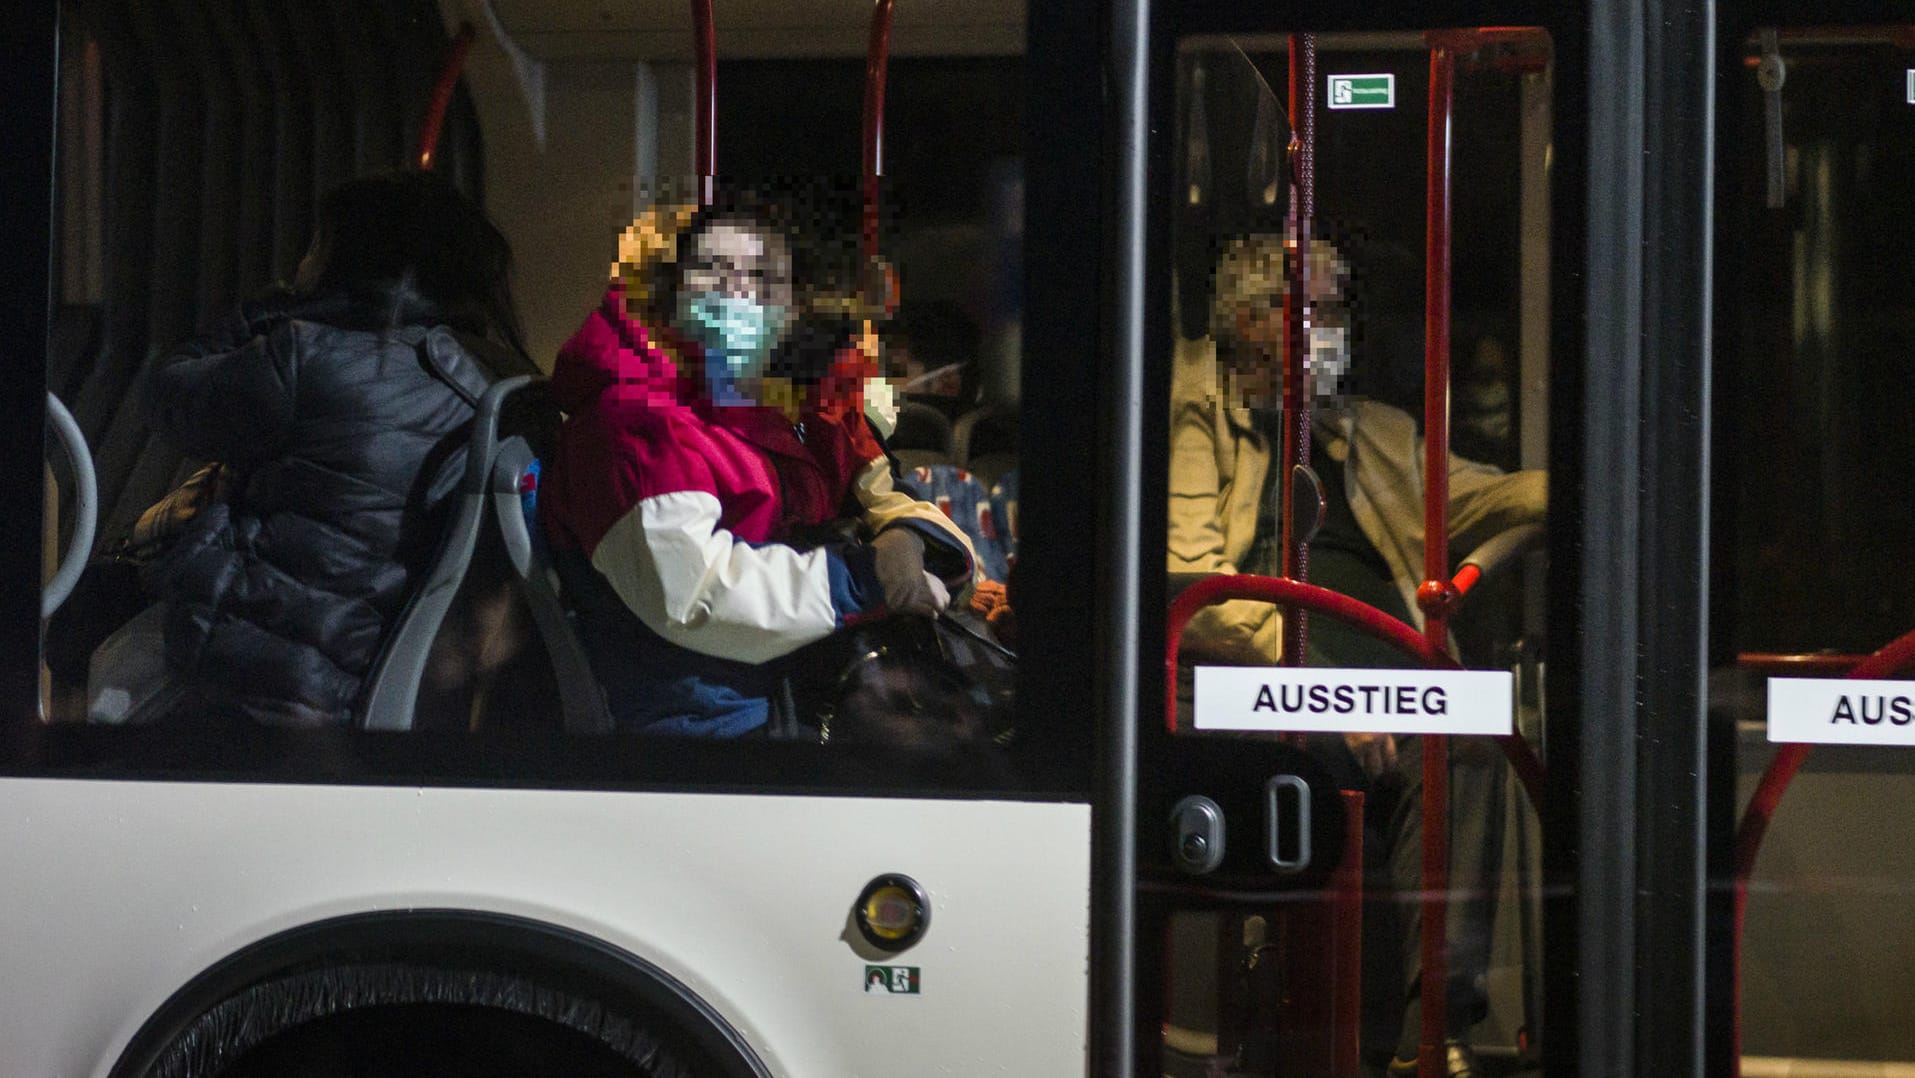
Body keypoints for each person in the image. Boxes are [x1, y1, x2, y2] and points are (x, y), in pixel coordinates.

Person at [1169, 232, 1547, 1076]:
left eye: (1337, 310)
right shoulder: (1201, 417)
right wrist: (1328, 689)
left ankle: (1431, 1031)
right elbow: (1191, 587)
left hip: (1389, 672)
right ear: (1254, 322)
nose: (1336, 328)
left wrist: (1585, 483)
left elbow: (1479, 497)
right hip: (1269, 677)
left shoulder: (1366, 431)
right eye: (1320, 309)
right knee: (1339, 755)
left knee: (1477, 747)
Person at [539, 193, 979, 737]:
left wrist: (908, 538)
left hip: (776, 685)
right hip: (698, 721)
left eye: (763, 274)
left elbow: (872, 489)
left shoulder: (767, 409)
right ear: (664, 290)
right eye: (713, 269)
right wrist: (863, 580)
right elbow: (692, 592)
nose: (739, 288)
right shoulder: (632, 419)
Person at [140, 169, 536, 727]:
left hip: (272, 683)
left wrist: (273, 311)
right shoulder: (507, 383)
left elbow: (170, 395)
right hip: (413, 698)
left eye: (315, 249)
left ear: (352, 264)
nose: (300, 268)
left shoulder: (311, 359)